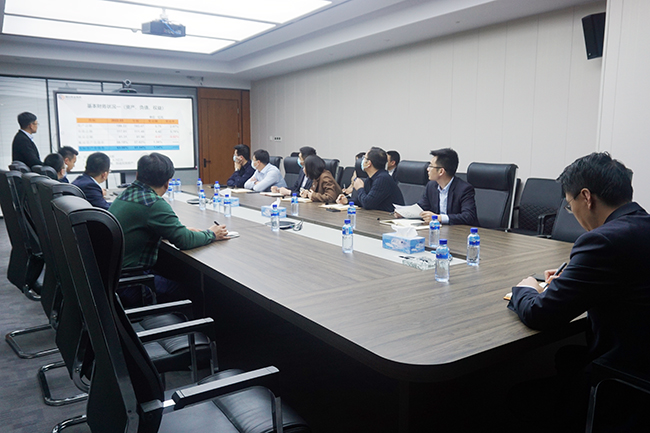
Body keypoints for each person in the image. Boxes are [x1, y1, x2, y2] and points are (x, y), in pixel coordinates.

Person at [508, 152, 650, 428]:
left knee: (518, 397)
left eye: (569, 204)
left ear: (586, 197)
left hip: (624, 378)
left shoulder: (603, 241)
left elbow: (540, 313)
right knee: (565, 357)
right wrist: (574, 277)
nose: (571, 213)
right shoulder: (639, 227)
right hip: (640, 358)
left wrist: (525, 288)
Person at [109, 153, 228, 307]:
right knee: (195, 293)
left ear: (137, 175)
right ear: (168, 182)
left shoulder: (127, 193)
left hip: (112, 277)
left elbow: (141, 225)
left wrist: (177, 230)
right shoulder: (153, 203)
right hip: (131, 283)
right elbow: (184, 241)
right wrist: (211, 234)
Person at [415, 148, 478, 225]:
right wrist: (403, 213)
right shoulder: (431, 186)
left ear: (441, 171)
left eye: (431, 166)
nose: (428, 169)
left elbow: (468, 216)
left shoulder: (464, 189)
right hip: (438, 229)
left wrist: (439, 218)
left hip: (459, 231)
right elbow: (420, 207)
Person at [336, 147, 404, 212]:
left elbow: (367, 204)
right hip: (377, 215)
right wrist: (347, 201)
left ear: (369, 163)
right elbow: (363, 199)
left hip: (389, 217)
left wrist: (360, 188)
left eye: (364, 158)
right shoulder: (371, 178)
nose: (362, 160)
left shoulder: (383, 179)